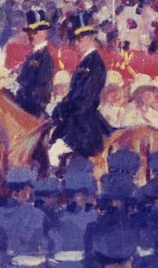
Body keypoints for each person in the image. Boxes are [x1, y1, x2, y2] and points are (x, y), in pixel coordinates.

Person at [48, 22, 113, 164]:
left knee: (55, 152)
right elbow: (74, 94)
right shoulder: (84, 62)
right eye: (75, 39)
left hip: (84, 122)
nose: (76, 43)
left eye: (80, 39)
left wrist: (62, 108)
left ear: (91, 38)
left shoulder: (95, 63)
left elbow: (85, 100)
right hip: (75, 118)